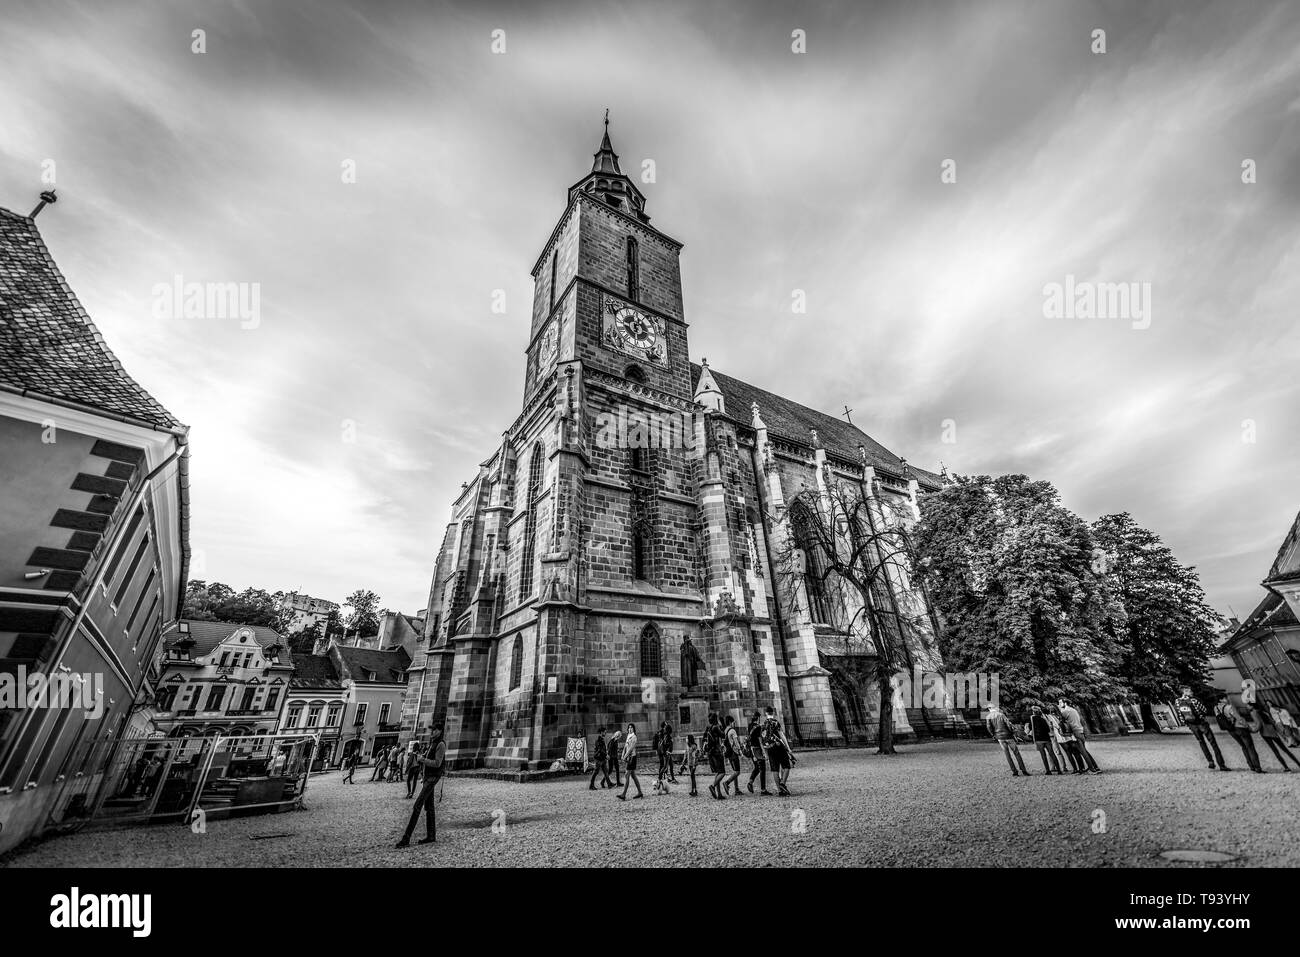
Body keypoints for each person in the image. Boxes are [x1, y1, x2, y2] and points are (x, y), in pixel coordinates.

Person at [396, 727, 446, 848]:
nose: (432, 731)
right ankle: (431, 835)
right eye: (432, 729)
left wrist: (423, 759)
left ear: (440, 731)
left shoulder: (440, 744)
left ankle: (406, 838)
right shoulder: (432, 743)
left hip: (432, 778)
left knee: (417, 806)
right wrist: (423, 758)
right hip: (428, 777)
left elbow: (437, 763)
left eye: (434, 729)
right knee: (429, 807)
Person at [1174, 686, 1228, 771]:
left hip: (1192, 725)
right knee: (1213, 743)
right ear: (1185, 692)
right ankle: (1221, 765)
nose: (1192, 692)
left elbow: (1180, 715)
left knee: (1201, 742)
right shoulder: (1194, 700)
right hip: (1202, 723)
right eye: (1190, 691)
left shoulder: (1177, 701)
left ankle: (1210, 762)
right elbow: (1204, 710)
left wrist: (1188, 724)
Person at [1214, 693, 1263, 773]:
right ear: (1221, 699)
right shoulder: (1229, 707)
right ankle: (1257, 767)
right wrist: (1249, 727)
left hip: (1231, 730)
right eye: (1226, 698)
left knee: (1243, 746)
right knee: (1250, 747)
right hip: (1240, 728)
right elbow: (1239, 719)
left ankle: (1251, 766)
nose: (1228, 699)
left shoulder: (1216, 708)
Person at [1247, 703, 1300, 771]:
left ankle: (1286, 767)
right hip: (1272, 731)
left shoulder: (1253, 713)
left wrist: (1251, 730)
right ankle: (1298, 763)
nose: (1247, 706)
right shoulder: (1264, 712)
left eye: (1248, 705)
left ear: (1252, 706)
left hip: (1265, 733)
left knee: (1275, 751)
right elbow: (1272, 721)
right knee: (1285, 749)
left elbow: (1259, 725)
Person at [1057, 698, 1100, 773]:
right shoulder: (1073, 710)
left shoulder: (1065, 711)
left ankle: (1092, 769)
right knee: (1084, 751)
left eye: (1060, 703)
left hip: (1075, 733)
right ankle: (1095, 767)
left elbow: (1059, 720)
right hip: (1080, 731)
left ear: (1065, 703)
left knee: (1083, 752)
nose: (1059, 704)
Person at [985, 704, 1029, 776]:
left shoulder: (988, 717)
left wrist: (993, 735)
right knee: (1016, 753)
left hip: (999, 738)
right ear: (995, 708)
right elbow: (1008, 724)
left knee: (1007, 754)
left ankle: (1014, 771)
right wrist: (1012, 732)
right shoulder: (1001, 715)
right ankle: (1023, 770)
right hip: (1008, 736)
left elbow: (989, 728)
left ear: (989, 709)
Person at [761, 706, 794, 796]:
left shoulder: (763, 724)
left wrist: (765, 753)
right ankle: (783, 783)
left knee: (775, 769)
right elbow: (782, 736)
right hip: (778, 747)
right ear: (773, 713)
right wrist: (788, 748)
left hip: (770, 748)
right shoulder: (776, 722)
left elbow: (763, 740)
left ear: (766, 714)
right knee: (786, 765)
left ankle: (780, 791)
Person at [1045, 708, 1081, 773]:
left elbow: (1053, 727)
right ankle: (1081, 768)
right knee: (1075, 753)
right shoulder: (1062, 715)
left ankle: (1075, 769)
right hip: (1070, 736)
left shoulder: (1050, 717)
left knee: (1069, 753)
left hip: (1061, 737)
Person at [1028, 706, 1061, 774]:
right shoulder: (1043, 719)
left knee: (1043, 755)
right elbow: (1048, 729)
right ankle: (1059, 770)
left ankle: (1048, 770)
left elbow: (1030, 728)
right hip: (1046, 739)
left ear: (1034, 712)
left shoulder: (1032, 720)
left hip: (1038, 740)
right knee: (1052, 754)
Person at [746, 712, 771, 795]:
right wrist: (765, 753)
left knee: (757, 767)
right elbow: (760, 741)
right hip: (757, 750)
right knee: (762, 769)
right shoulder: (758, 727)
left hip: (751, 749)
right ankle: (763, 790)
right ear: (758, 718)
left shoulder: (750, 726)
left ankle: (750, 782)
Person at [705, 712, 728, 800]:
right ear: (715, 719)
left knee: (718, 773)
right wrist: (722, 724)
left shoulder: (709, 727)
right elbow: (723, 735)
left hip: (711, 753)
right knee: (722, 772)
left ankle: (719, 794)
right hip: (717, 752)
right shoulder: (715, 727)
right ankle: (712, 786)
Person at [617, 723, 643, 800]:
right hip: (628, 758)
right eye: (629, 727)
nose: (630, 729)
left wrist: (624, 757)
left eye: (631, 727)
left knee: (627, 775)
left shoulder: (634, 737)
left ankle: (623, 794)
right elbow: (625, 747)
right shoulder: (628, 736)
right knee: (633, 776)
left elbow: (630, 748)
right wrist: (622, 755)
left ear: (634, 729)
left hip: (632, 758)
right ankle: (640, 792)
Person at [722, 715, 744, 797]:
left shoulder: (725, 730)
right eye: (733, 722)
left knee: (735, 771)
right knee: (737, 772)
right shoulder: (732, 731)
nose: (734, 723)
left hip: (729, 753)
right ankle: (726, 783)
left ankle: (737, 789)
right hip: (734, 753)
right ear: (731, 722)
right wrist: (740, 752)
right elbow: (736, 743)